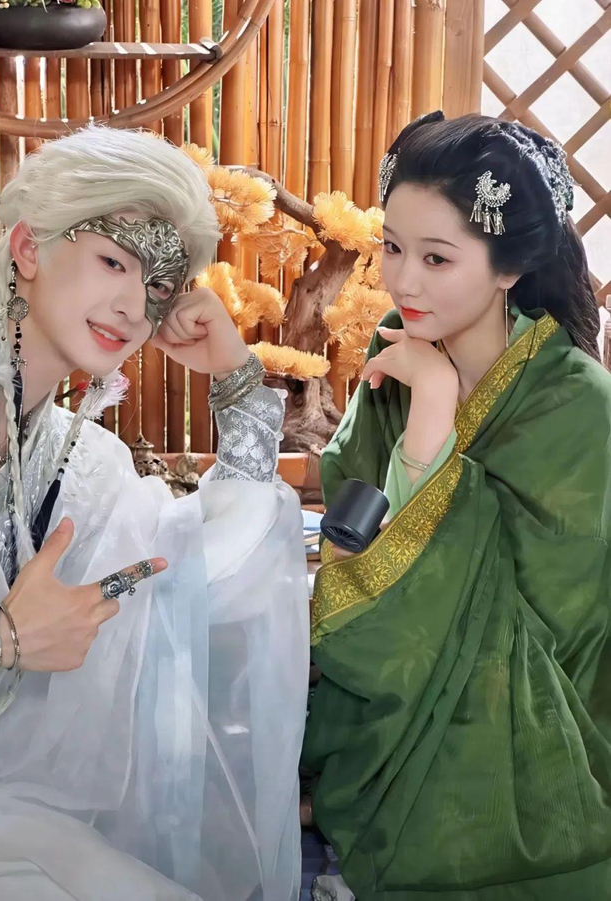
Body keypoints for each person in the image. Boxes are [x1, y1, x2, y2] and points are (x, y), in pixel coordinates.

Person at [0, 125, 309, 901]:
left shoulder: (81, 465)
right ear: (29, 247)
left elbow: (201, 581)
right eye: (114, 262)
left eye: (159, 286)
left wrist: (235, 379)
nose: (132, 306)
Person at [302, 112, 611, 899]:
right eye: (392, 247)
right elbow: (348, 555)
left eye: (437, 257)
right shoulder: (397, 350)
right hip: (380, 692)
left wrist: (435, 411)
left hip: (518, 741)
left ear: (510, 269)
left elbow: (537, 641)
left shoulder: (581, 408)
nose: (403, 282)